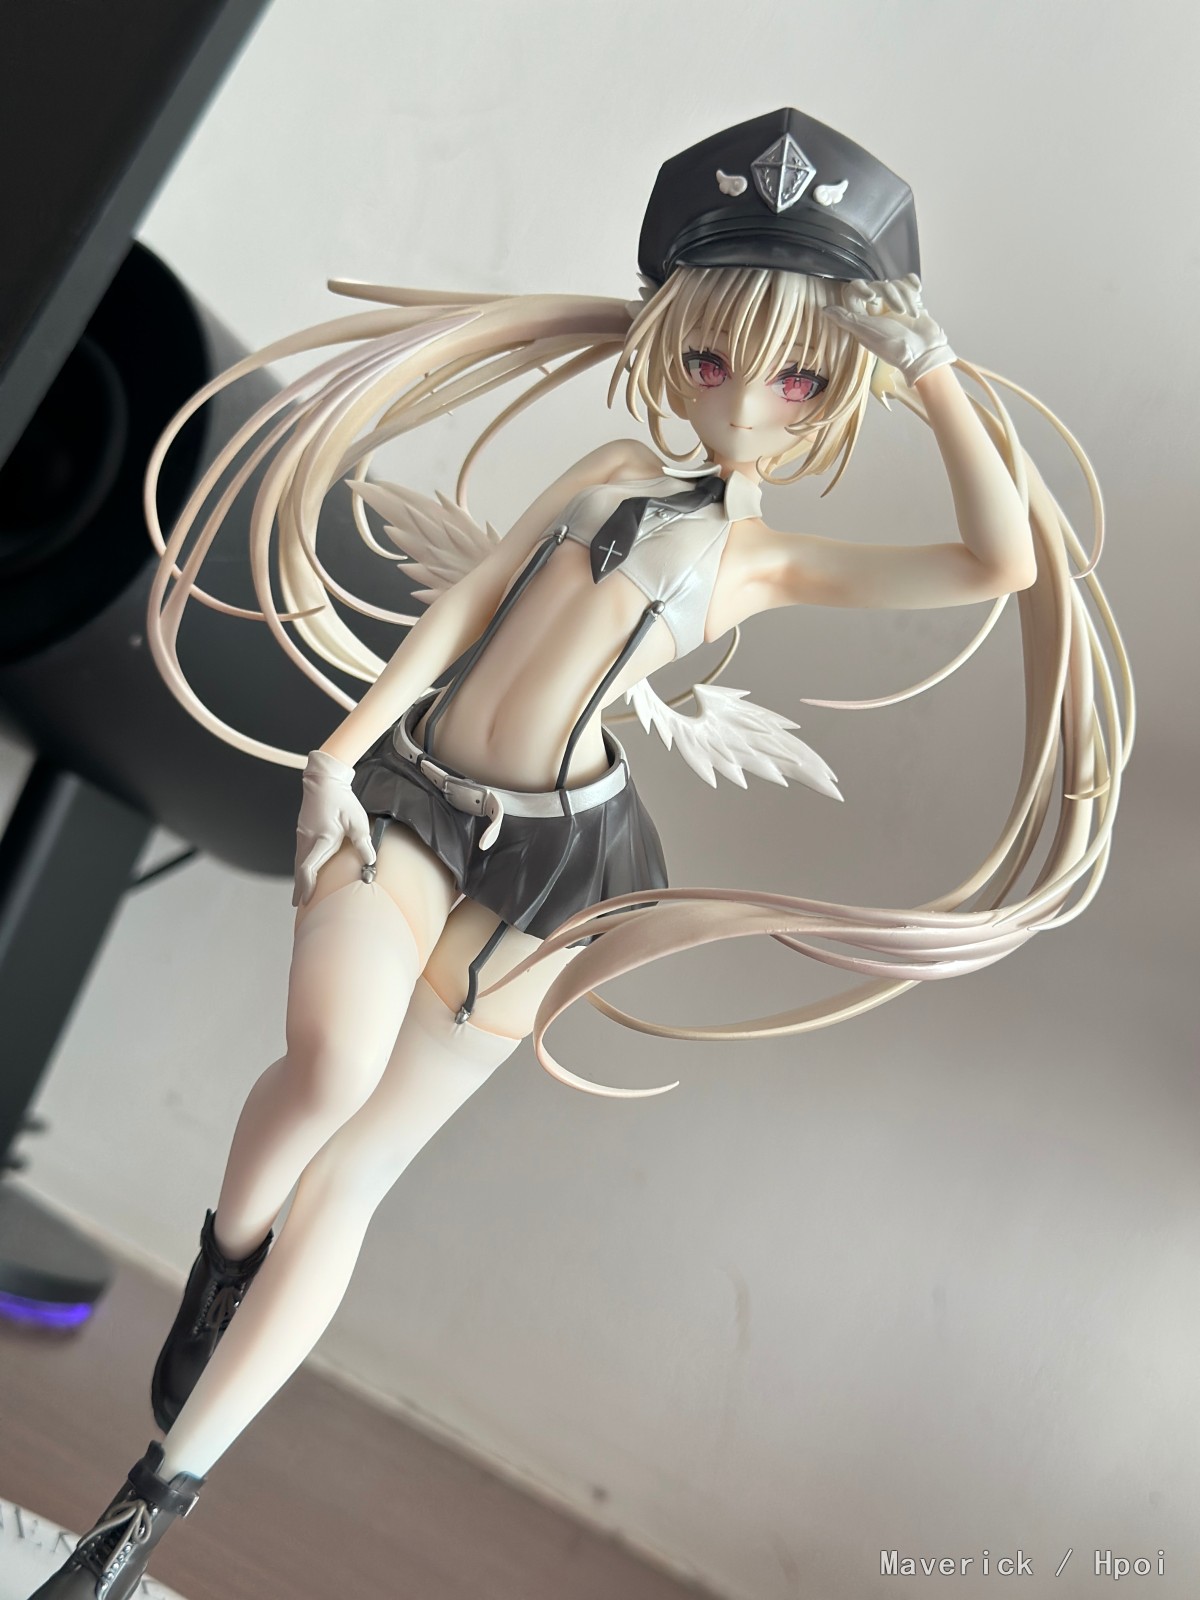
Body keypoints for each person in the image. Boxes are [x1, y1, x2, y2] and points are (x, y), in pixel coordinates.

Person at [28, 108, 1127, 1599]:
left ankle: (142, 1517)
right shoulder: (609, 465)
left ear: (836, 394)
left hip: (558, 872)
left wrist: (927, 365)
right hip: (411, 795)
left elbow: (998, 561)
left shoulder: (767, 560)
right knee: (328, 1073)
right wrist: (341, 752)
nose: (745, 401)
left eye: (799, 376)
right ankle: (228, 1252)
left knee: (356, 1181)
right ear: (670, 337)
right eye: (714, 358)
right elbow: (467, 603)